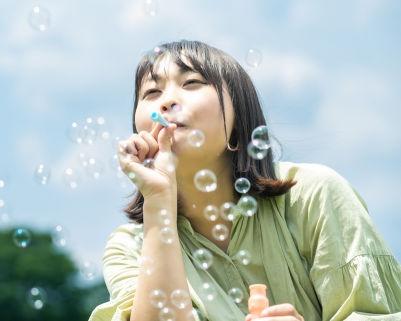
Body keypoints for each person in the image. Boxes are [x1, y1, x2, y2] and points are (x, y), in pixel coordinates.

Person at [89, 40, 401, 321]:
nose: (167, 101)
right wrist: (158, 200)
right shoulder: (130, 247)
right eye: (152, 92)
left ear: (240, 124)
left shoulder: (315, 195)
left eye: (192, 82)